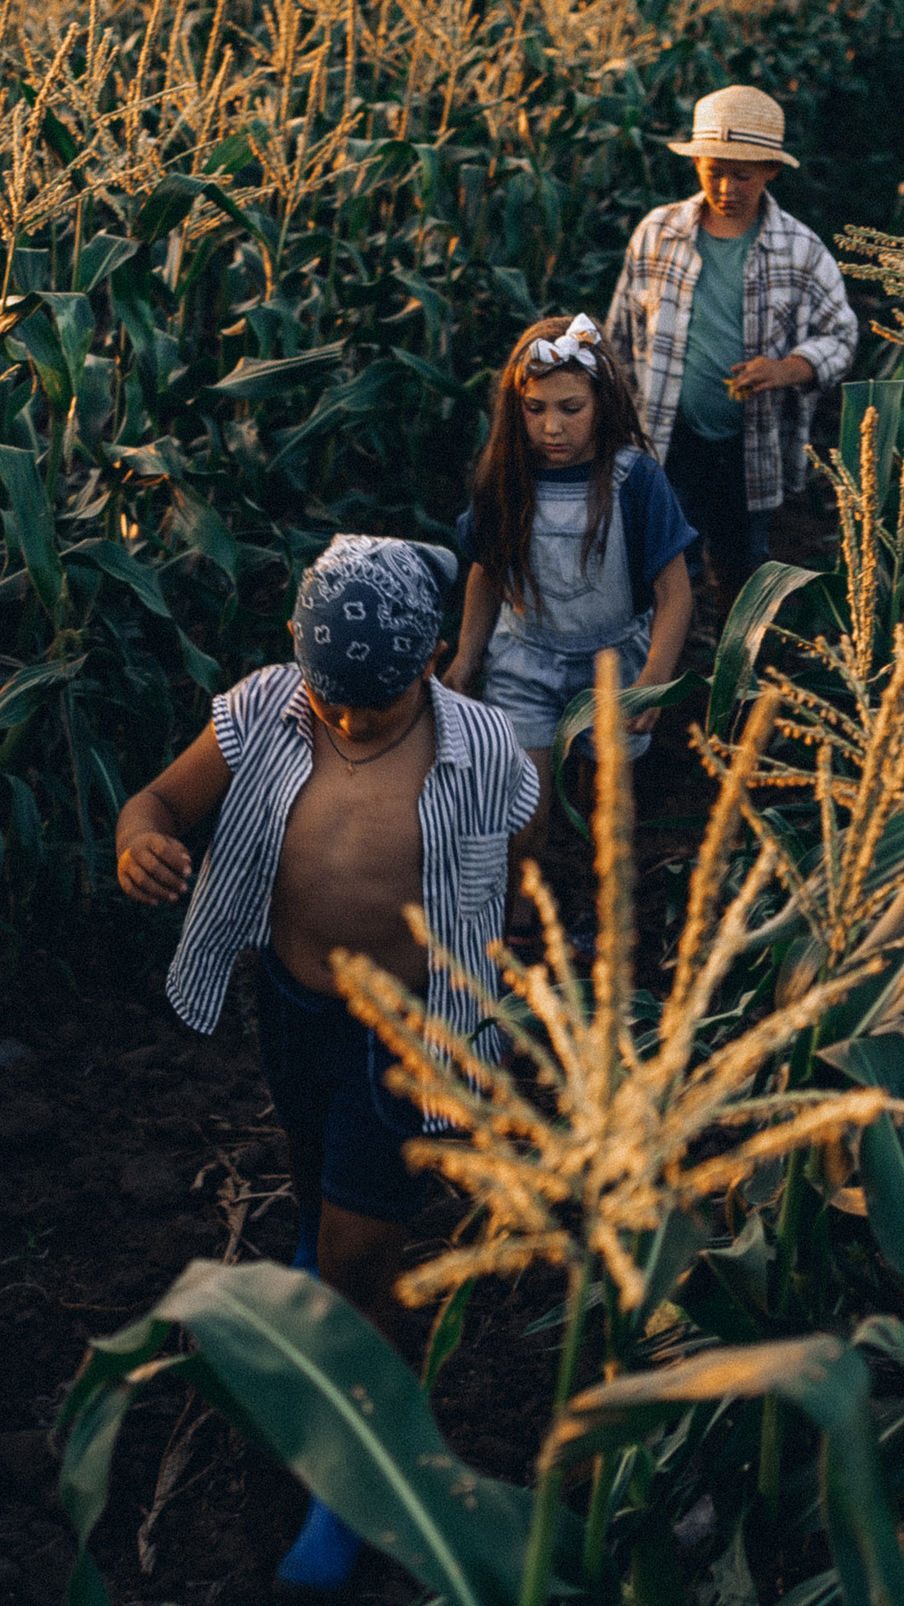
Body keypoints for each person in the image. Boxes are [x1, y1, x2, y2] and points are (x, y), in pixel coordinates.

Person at [113, 535, 536, 1601]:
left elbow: (525, 861)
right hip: (295, 1008)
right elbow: (156, 803)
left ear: (432, 662)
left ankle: (352, 1483)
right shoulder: (266, 707)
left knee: (359, 1270)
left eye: (371, 709)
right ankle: (315, 1234)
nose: (344, 723)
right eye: (329, 699)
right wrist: (138, 842)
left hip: (407, 1038)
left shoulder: (483, 748)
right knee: (308, 1163)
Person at [605, 83, 859, 606]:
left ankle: (734, 642)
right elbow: (621, 341)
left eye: (743, 175)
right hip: (667, 437)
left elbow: (841, 336)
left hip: (752, 442)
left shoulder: (801, 250)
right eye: (713, 171)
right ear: (696, 164)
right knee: (666, 561)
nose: (726, 188)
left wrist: (788, 368)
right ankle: (673, 643)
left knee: (742, 558)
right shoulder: (657, 234)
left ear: (772, 170)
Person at [445, 314, 699, 827]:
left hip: (614, 666)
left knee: (603, 810)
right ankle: (525, 878)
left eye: (571, 408)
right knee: (523, 813)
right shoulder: (505, 477)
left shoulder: (634, 479)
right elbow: (488, 572)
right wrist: (467, 658)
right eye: (535, 408)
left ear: (603, 404)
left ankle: (591, 873)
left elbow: (675, 594)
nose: (552, 427)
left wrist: (653, 680)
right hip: (524, 662)